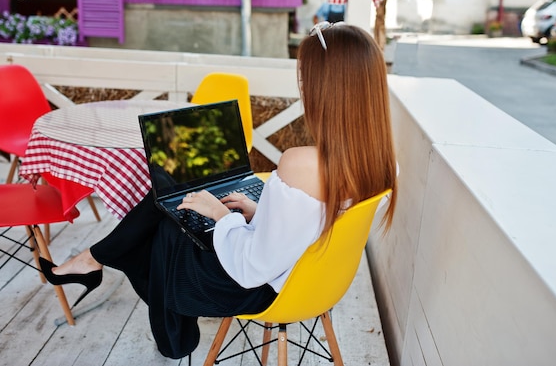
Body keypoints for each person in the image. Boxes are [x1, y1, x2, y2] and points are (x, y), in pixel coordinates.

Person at [39, 22, 398, 360]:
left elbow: (253, 266)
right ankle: (98, 261)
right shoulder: (377, 163)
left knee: (168, 222)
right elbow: (314, 222)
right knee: (169, 207)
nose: (302, 88)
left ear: (326, 90)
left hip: (259, 287)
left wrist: (222, 215)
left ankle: (165, 331)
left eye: (305, 79)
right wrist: (258, 213)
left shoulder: (300, 163)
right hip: (313, 279)